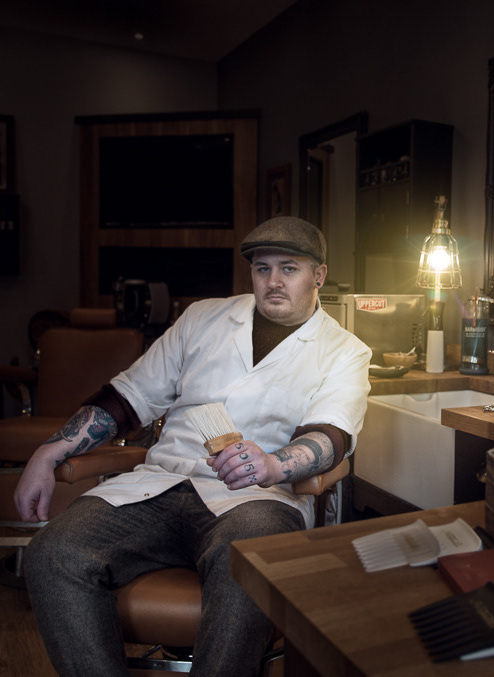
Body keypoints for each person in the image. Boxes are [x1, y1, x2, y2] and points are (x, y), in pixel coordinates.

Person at [13, 216, 372, 676]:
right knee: (52, 553)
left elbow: (330, 436)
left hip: (254, 500)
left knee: (247, 560)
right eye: (262, 269)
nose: (274, 281)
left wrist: (273, 465)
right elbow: (129, 397)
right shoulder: (204, 318)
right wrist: (47, 453)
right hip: (159, 485)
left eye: (289, 268)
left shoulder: (344, 350)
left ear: (318, 275)